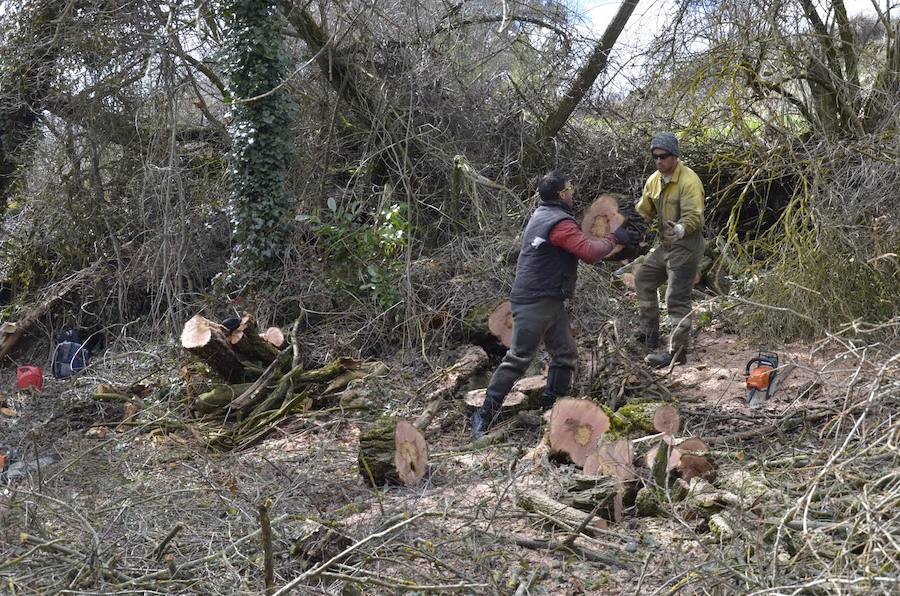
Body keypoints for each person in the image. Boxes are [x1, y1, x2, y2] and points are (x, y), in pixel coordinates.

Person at [470, 172, 638, 439]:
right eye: (570, 188)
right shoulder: (559, 223)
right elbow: (590, 253)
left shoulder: (543, 215)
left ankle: (552, 408)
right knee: (518, 360)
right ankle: (483, 415)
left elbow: (582, 246)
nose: (573, 192)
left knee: (565, 355)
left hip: (548, 300)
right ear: (561, 194)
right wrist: (615, 238)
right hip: (535, 301)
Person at [633, 132, 705, 368]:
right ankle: (649, 334)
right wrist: (630, 228)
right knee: (643, 278)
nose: (659, 161)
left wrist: (683, 228)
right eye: (655, 157)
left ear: (675, 156)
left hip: (686, 245)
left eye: (663, 156)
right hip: (665, 245)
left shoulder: (689, 181)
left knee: (675, 297)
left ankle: (677, 352)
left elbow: (694, 214)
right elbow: (643, 210)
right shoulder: (654, 180)